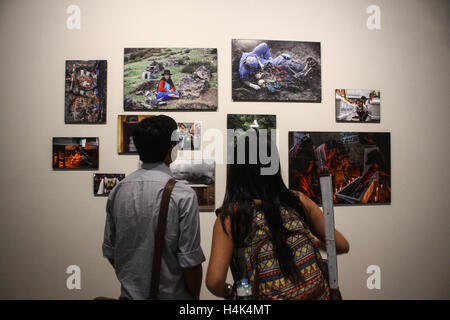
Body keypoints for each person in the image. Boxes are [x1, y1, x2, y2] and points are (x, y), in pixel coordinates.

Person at [206, 131, 349, 300]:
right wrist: (312, 243)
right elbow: (341, 245)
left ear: (236, 170)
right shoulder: (298, 200)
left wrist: (232, 292)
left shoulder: (232, 217)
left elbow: (214, 282)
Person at [102, 115, 205, 300]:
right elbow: (190, 263)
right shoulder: (182, 194)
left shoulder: (118, 190)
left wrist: (136, 281)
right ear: (171, 148)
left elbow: (111, 251)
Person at [238, 42, 316, 91]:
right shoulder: (243, 71)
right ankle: (301, 76)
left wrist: (268, 57)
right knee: (286, 77)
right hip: (271, 73)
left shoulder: (254, 54)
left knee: (285, 65)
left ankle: (303, 67)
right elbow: (244, 80)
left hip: (266, 64)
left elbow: (264, 45)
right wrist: (253, 85)